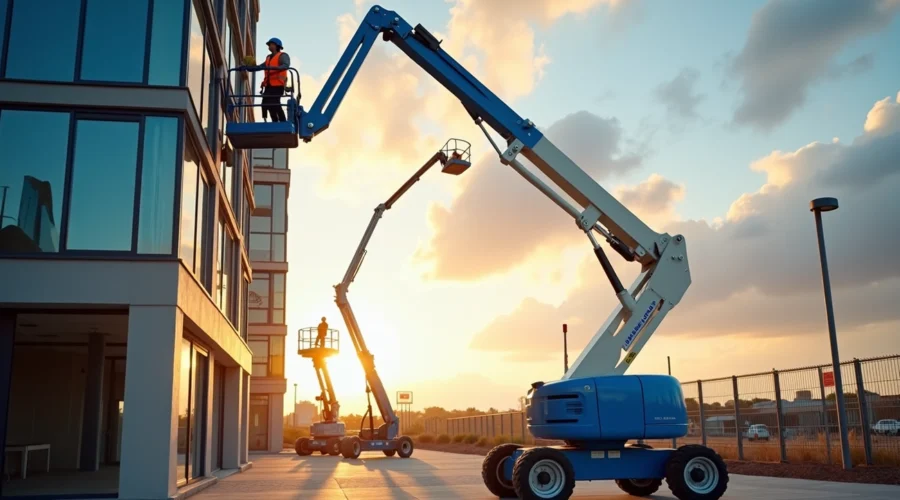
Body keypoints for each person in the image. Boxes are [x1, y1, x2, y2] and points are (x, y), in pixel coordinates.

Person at [260, 37, 290, 122]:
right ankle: (274, 121)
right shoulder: (268, 58)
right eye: (269, 45)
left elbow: (286, 65)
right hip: (269, 85)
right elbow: (261, 66)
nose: (269, 46)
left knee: (275, 103)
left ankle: (283, 121)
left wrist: (275, 68)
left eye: (271, 44)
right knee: (265, 103)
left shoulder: (282, 56)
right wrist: (249, 68)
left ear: (277, 46)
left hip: (278, 85)